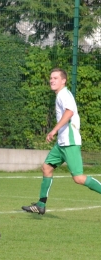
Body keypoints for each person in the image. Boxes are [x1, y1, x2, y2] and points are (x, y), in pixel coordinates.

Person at [22, 68, 101, 214]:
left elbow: (69, 112)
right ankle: (41, 205)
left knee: (78, 178)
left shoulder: (63, 94)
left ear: (63, 80)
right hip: (62, 143)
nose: (52, 80)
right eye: (51, 78)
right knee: (47, 168)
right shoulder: (61, 94)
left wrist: (54, 130)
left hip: (70, 142)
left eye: (55, 78)